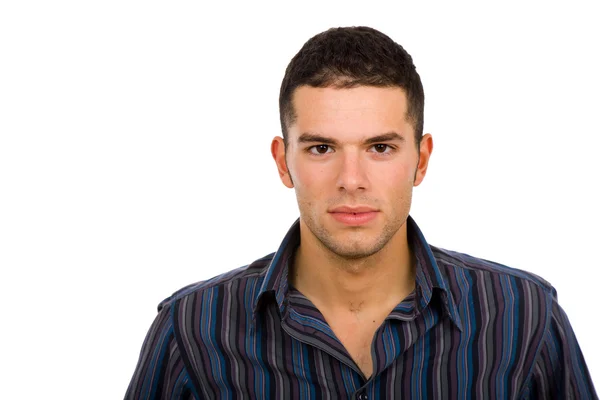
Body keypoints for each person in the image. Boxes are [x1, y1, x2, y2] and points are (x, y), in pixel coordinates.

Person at [125, 26, 597, 399]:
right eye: (322, 147)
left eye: (380, 147)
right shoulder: (191, 330)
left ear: (422, 159)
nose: (351, 179)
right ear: (282, 161)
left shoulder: (526, 318)